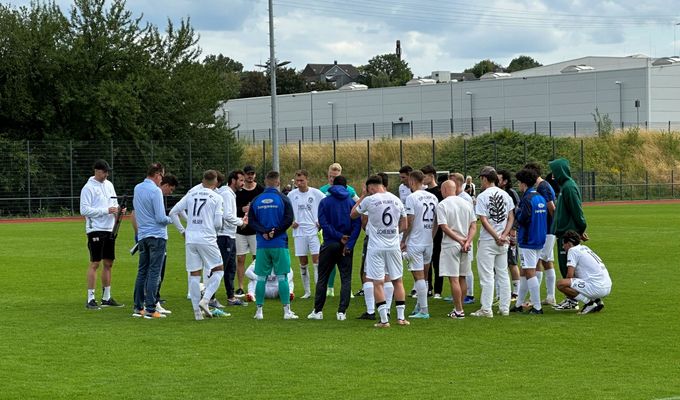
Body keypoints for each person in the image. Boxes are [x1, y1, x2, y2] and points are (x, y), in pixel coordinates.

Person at [351, 175, 408, 328]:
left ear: (371, 188)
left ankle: (384, 320)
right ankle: (401, 318)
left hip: (376, 247)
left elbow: (353, 214)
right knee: (397, 280)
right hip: (393, 246)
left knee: (378, 282)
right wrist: (394, 233)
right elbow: (405, 224)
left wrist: (362, 196)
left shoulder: (370, 199)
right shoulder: (397, 199)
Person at [169, 170, 226, 320]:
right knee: (219, 270)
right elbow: (218, 223)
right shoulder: (217, 197)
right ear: (215, 182)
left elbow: (173, 212)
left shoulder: (191, 194)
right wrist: (214, 230)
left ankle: (197, 313)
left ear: (203, 180)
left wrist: (183, 231)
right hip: (207, 238)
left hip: (191, 238)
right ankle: (206, 300)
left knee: (194, 274)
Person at [308, 175, 362, 321]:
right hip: (346, 245)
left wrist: (338, 236)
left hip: (329, 243)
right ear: (346, 187)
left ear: (332, 185)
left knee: (323, 278)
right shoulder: (352, 203)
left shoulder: (325, 202)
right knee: (345, 278)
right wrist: (348, 243)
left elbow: (323, 224)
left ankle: (318, 311)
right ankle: (341, 312)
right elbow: (357, 226)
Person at [247, 171, 298, 320]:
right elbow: (289, 219)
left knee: (261, 277)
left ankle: (259, 312)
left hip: (262, 244)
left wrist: (264, 232)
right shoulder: (283, 198)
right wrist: (275, 232)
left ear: (265, 181)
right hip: (279, 243)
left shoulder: (256, 199)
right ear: (278, 182)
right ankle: (287, 311)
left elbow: (251, 220)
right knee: (282, 276)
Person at [130, 174, 178, 315]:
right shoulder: (156, 191)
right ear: (157, 175)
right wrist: (172, 219)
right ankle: (151, 308)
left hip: (143, 235)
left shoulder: (138, 188)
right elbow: (160, 218)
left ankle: (138, 307)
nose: (161, 179)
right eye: (161, 176)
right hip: (157, 236)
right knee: (154, 272)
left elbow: (135, 212)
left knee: (142, 271)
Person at [80, 159, 124, 310]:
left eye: (107, 172)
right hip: (95, 229)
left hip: (109, 228)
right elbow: (84, 210)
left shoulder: (109, 185)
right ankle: (90, 298)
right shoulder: (88, 188)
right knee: (95, 263)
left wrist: (119, 210)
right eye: (104, 171)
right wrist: (105, 211)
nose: (106, 174)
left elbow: (114, 204)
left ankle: (106, 297)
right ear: (96, 171)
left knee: (108, 263)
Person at [472, 166, 515, 318]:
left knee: (487, 276)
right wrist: (504, 235)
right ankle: (505, 308)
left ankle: (486, 309)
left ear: (484, 178)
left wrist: (496, 236)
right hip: (503, 241)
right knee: (503, 274)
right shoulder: (505, 195)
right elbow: (511, 217)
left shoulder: (483, 196)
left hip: (488, 240)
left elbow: (483, 220)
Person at [549, 158, 589, 310]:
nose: (552, 175)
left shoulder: (569, 188)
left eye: (554, 171)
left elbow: (577, 211)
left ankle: (573, 300)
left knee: (569, 268)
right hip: (564, 233)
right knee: (566, 266)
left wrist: (581, 229)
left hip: (568, 234)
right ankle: (573, 298)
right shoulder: (565, 187)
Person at [436, 180, 477, 319]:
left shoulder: (442, 205)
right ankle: (459, 308)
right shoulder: (467, 203)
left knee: (454, 279)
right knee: (462, 277)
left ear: (445, 190)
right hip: (466, 244)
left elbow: (444, 227)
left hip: (451, 244)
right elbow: (473, 226)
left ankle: (459, 310)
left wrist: (459, 240)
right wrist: (467, 241)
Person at [401, 170, 438, 319]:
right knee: (425, 276)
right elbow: (436, 221)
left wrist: (403, 239)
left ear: (412, 181)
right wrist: (432, 236)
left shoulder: (411, 197)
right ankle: (419, 307)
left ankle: (424, 310)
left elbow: (409, 221)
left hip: (415, 241)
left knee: (418, 277)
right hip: (428, 240)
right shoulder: (433, 197)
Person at [319, 162, 360, 297]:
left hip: (337, 232)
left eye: (334, 177)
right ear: (328, 175)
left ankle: (348, 289)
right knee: (331, 262)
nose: (332, 179)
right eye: (330, 176)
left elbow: (358, 205)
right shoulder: (322, 190)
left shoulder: (350, 191)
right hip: (330, 232)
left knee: (343, 264)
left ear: (339, 176)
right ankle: (330, 287)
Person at [511, 168, 547, 315]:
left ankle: (537, 307)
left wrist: (516, 213)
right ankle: (519, 304)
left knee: (530, 271)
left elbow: (522, 219)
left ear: (524, 184)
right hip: (539, 238)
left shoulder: (526, 199)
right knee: (525, 271)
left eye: (519, 183)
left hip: (528, 240)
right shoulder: (540, 197)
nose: (518, 185)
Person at [287, 170, 326, 299]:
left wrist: (320, 221)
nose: (299, 183)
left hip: (313, 232)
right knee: (303, 263)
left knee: (317, 262)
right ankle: (307, 292)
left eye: (302, 180)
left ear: (307, 180)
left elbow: (326, 206)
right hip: (299, 233)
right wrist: (291, 221)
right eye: (297, 181)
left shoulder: (316, 193)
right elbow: (286, 211)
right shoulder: (291, 195)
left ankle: (318, 291)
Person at [524, 162, 558, 306]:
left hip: (547, 230)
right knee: (546, 261)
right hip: (547, 229)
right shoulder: (542, 185)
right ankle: (550, 296)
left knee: (537, 261)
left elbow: (552, 207)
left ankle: (534, 299)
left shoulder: (543, 186)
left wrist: (552, 227)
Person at [556, 231, 611, 314]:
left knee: (561, 284)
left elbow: (570, 275)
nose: (563, 247)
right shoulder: (585, 247)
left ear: (570, 243)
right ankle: (597, 301)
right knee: (578, 279)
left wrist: (570, 292)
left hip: (597, 287)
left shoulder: (572, 250)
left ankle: (589, 303)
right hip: (607, 286)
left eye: (564, 244)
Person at [216, 169, 248, 307]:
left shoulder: (228, 193)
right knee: (221, 267)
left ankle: (230, 296)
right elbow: (227, 216)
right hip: (224, 236)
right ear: (233, 180)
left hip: (229, 234)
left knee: (230, 267)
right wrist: (241, 222)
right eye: (241, 180)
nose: (243, 183)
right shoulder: (227, 194)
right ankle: (210, 297)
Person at [235, 164, 264, 297]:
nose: (250, 176)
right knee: (240, 258)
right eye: (248, 174)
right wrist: (242, 210)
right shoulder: (238, 191)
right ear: (244, 175)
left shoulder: (260, 190)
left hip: (255, 230)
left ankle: (256, 285)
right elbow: (232, 209)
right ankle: (240, 287)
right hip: (240, 229)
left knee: (256, 258)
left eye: (252, 173)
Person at [450, 172, 476, 304]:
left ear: (458, 183)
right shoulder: (456, 196)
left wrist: (467, 238)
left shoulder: (465, 198)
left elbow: (470, 220)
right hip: (458, 237)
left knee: (466, 268)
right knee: (458, 269)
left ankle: (469, 294)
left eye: (452, 180)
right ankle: (458, 293)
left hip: (465, 237)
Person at [497, 169, 521, 302]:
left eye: (499, 179)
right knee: (499, 264)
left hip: (510, 231)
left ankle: (516, 292)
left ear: (505, 181)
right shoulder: (495, 192)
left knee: (512, 261)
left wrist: (513, 229)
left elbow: (517, 211)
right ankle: (500, 293)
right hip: (499, 232)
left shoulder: (511, 193)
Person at [421, 165, 444, 299]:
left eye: (425, 176)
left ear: (432, 176)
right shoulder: (423, 193)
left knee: (437, 260)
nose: (423, 179)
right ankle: (427, 288)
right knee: (426, 260)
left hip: (439, 230)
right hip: (425, 230)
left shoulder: (439, 192)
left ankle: (438, 290)